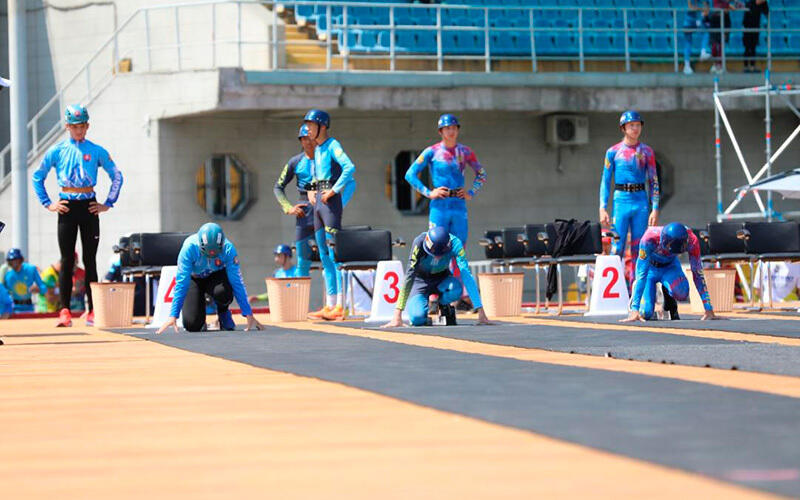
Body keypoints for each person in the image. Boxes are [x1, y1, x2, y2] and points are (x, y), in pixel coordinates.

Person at [32, 104, 124, 327]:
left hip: (89, 206)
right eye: (75, 127)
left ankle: (92, 310)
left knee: (89, 259)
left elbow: (117, 176)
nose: (79, 131)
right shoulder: (57, 150)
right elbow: (38, 176)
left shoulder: (96, 150)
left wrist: (107, 204)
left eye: (82, 126)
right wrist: (48, 204)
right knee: (66, 259)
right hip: (67, 206)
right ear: (67, 127)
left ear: (88, 126)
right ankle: (64, 311)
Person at [156, 223, 263, 333]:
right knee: (192, 325)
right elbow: (181, 283)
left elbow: (237, 282)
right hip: (195, 279)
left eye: (215, 254)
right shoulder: (188, 248)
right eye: (206, 254)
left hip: (216, 277)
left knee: (223, 292)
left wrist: (248, 313)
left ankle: (223, 312)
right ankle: (200, 319)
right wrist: (173, 315)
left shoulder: (228, 249)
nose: (211, 257)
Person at [304, 109, 357, 321]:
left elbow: (349, 167)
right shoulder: (317, 149)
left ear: (322, 126)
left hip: (330, 203)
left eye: (310, 124)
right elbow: (316, 175)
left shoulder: (333, 145)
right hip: (318, 203)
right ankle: (330, 304)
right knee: (323, 254)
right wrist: (310, 188)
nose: (307, 128)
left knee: (335, 255)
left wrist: (335, 191)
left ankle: (340, 307)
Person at [382, 226, 490, 328]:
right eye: (434, 254)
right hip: (420, 281)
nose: (437, 258)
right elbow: (410, 275)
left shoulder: (456, 243)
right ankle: (424, 316)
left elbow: (466, 274)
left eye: (441, 255)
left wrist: (481, 311)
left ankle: (443, 305)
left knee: (456, 289)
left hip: (442, 279)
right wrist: (397, 314)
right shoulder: (418, 243)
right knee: (417, 318)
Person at [405, 113, 487, 247]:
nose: (451, 131)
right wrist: (429, 193)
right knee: (435, 246)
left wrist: (471, 193)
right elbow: (410, 174)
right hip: (439, 206)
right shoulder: (432, 151)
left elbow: (481, 174)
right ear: (440, 131)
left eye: (454, 128)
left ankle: (456, 269)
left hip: (459, 206)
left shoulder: (465, 152)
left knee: (459, 248)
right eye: (447, 128)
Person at [599, 111, 660, 284]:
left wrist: (655, 208)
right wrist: (602, 207)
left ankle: (636, 292)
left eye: (638, 125)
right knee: (617, 246)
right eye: (631, 125)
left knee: (639, 248)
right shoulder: (613, 152)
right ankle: (616, 291)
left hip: (640, 201)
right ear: (623, 128)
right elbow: (605, 180)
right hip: (621, 201)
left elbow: (653, 180)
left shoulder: (647, 151)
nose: (635, 128)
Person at [624, 223, 717, 322]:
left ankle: (667, 296)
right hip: (650, 269)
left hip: (670, 267)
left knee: (682, 293)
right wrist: (635, 309)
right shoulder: (648, 239)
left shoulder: (692, 240)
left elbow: (697, 273)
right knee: (645, 313)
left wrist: (708, 308)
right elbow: (642, 273)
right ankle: (637, 299)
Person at [273, 124, 316, 278]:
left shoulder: (327, 160)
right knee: (303, 262)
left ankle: (336, 301)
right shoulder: (295, 161)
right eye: (304, 139)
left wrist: (339, 204)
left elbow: (342, 181)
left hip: (325, 213)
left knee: (332, 260)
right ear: (300, 141)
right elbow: (278, 187)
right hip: (304, 217)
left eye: (311, 138)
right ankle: (300, 302)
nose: (308, 142)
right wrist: (288, 208)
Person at [2, 248, 48, 315]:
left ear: (20, 260)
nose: (14, 263)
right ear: (9, 262)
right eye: (11, 260)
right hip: (13, 310)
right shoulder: (8, 275)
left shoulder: (31, 269)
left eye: (16, 260)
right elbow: (4, 293)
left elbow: (44, 288)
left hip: (29, 308)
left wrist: (38, 289)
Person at [708, 0, 746, 73]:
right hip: (716, 19)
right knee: (714, 44)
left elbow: (726, 5)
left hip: (725, 19)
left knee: (722, 43)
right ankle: (715, 64)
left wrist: (735, 6)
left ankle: (720, 64)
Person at [683, 0, 712, 74]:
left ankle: (703, 51)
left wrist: (705, 6)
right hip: (688, 22)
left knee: (706, 32)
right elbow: (691, 8)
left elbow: (705, 8)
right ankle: (686, 65)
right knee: (688, 43)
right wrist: (701, 9)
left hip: (696, 22)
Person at [742, 0, 769, 73]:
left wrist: (764, 2)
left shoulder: (763, 4)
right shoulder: (750, 3)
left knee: (753, 47)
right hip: (747, 28)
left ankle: (752, 66)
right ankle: (746, 66)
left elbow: (766, 11)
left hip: (756, 28)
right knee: (747, 47)